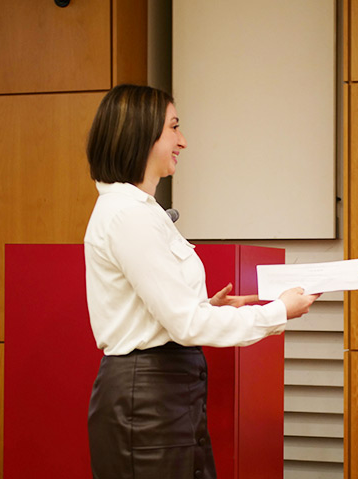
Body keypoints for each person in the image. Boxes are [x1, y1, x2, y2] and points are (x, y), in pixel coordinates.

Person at [83, 84, 319, 479]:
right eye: (174, 128)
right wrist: (279, 311)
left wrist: (207, 307)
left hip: (163, 396)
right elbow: (186, 325)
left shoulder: (138, 210)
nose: (183, 141)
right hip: (148, 401)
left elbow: (168, 314)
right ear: (141, 134)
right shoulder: (129, 215)